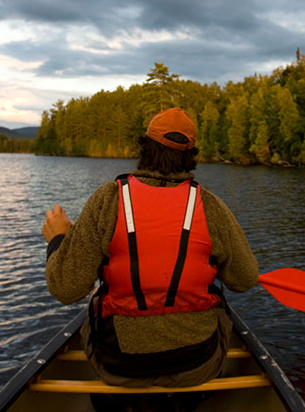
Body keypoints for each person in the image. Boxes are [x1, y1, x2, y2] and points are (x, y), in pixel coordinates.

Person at [41, 107, 259, 397]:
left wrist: (58, 239)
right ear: (190, 154)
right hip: (197, 365)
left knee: (96, 298)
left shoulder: (108, 199)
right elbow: (244, 279)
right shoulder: (210, 206)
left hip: (120, 365)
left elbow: (66, 288)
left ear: (144, 148)